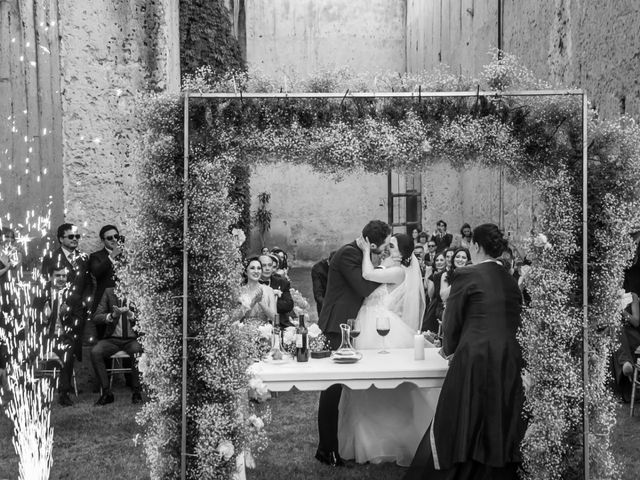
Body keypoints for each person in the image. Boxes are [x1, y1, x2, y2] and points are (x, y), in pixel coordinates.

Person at [405, 223, 526, 480]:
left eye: (470, 243)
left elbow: (452, 322)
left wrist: (449, 350)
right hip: (510, 359)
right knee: (496, 414)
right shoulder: (510, 279)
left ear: (477, 246)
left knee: (461, 414)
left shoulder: (467, 274)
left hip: (475, 356)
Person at [338, 233, 430, 466]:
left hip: (380, 327)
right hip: (366, 322)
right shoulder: (387, 266)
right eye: (388, 244)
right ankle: (367, 442)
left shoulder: (398, 271)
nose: (388, 248)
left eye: (392, 245)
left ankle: (390, 441)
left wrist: (366, 251)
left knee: (383, 388)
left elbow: (368, 274)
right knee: (363, 387)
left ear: (402, 252)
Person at [316, 219, 391, 467]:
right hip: (337, 326)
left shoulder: (360, 254)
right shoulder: (348, 254)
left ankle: (333, 445)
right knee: (332, 388)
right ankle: (327, 450)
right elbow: (363, 287)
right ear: (370, 243)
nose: (383, 252)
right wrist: (388, 275)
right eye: (380, 247)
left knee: (340, 386)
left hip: (348, 325)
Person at [32, 264, 84, 406]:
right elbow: (32, 322)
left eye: (64, 276)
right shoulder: (41, 295)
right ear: (50, 277)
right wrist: (43, 318)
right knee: (29, 350)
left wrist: (66, 315)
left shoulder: (73, 297)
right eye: (58, 275)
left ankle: (64, 393)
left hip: (64, 337)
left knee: (67, 353)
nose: (61, 279)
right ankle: (30, 390)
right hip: (45, 338)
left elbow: (79, 323)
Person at [91, 287, 143, 405]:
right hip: (112, 339)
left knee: (137, 350)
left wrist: (131, 315)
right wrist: (112, 315)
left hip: (131, 339)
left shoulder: (138, 290)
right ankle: (106, 393)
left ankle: (136, 392)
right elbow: (97, 317)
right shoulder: (109, 292)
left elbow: (147, 318)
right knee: (95, 352)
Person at [89, 225, 124, 342]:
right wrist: (112, 255)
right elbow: (96, 272)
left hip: (125, 304)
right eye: (110, 238)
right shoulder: (95, 256)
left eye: (116, 236)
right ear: (103, 241)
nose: (114, 239)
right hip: (104, 307)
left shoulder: (127, 254)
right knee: (104, 345)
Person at [259, 254, 294, 327]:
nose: (267, 268)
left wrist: (270, 300)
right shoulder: (252, 284)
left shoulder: (282, 282)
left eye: (270, 265)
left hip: (280, 324)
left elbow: (288, 305)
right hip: (258, 325)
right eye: (264, 266)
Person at [239, 256, 276, 325]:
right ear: (246, 272)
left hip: (264, 331)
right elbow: (235, 317)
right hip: (244, 331)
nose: (256, 271)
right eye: (252, 268)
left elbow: (275, 318)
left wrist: (261, 303)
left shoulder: (268, 290)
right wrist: (253, 302)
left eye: (259, 268)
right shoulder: (239, 291)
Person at [422, 252, 447, 333]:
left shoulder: (448, 274)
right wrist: (432, 276)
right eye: (437, 260)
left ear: (446, 261)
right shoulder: (433, 275)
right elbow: (430, 294)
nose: (439, 262)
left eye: (441, 260)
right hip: (435, 305)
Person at [311, 252, 334, 316]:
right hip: (324, 300)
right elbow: (318, 293)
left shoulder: (343, 266)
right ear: (328, 263)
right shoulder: (317, 269)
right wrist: (325, 305)